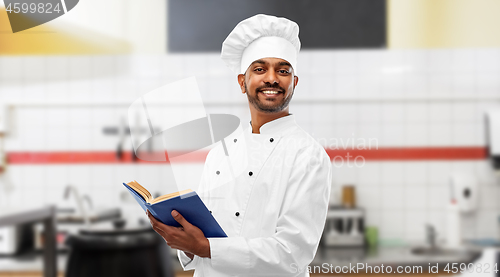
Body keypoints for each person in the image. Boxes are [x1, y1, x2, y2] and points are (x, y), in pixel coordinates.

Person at [147, 14, 332, 276]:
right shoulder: (220, 153)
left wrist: (206, 248)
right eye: (259, 69)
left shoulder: (308, 155)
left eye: (283, 70)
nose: (271, 78)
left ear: (294, 83)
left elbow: (294, 253)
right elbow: (203, 237)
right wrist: (185, 243)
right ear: (242, 82)